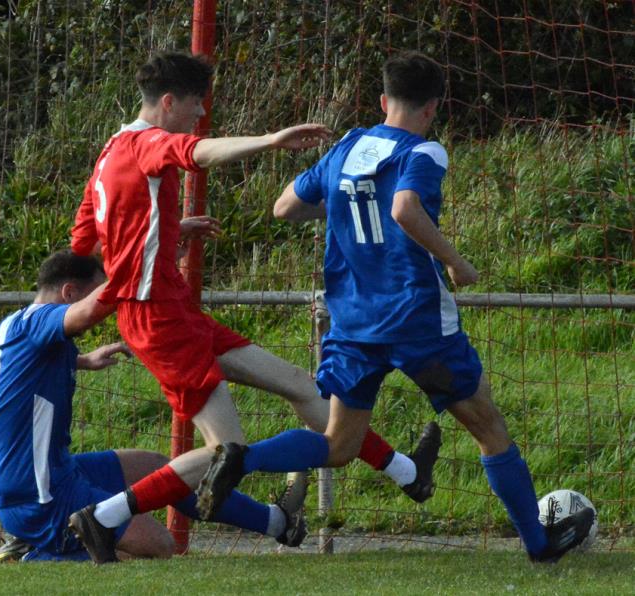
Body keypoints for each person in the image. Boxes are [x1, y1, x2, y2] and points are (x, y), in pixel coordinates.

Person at [199, 50, 594, 563]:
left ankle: (243, 458)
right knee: (489, 428)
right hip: (416, 321)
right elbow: (404, 208)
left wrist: (345, 202)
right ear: (433, 108)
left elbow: (285, 207)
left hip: (353, 322)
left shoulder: (347, 145)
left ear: (384, 100)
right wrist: (455, 261)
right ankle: (539, 545)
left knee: (339, 445)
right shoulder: (424, 153)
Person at [67, 51, 442, 564]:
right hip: (158, 319)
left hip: (172, 309)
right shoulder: (147, 143)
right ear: (169, 102)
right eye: (196, 105)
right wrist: (270, 140)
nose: (200, 115)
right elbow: (199, 153)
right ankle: (103, 518)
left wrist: (165, 234)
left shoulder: (110, 150)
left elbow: (88, 239)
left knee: (299, 384)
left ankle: (406, 472)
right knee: (227, 453)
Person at [0, 249, 311, 562]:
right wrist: (146, 262)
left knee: (161, 468)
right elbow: (84, 313)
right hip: (38, 495)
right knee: (158, 546)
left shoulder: (12, 326)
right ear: (69, 292)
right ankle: (33, 554)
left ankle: (277, 523)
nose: (110, 306)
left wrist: (82, 360)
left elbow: (21, 372)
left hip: (49, 474)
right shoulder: (43, 321)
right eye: (98, 293)